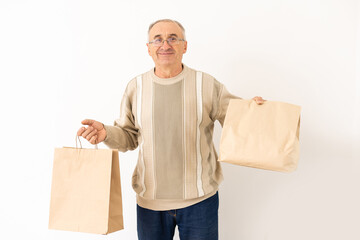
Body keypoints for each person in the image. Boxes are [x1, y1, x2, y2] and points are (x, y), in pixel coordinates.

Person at [77, 19, 265, 240]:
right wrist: (106, 134)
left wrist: (254, 110)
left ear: (185, 46)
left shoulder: (206, 84)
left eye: (173, 39)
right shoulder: (135, 88)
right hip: (150, 202)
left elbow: (236, 119)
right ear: (148, 48)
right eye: (157, 39)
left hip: (200, 201)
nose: (165, 45)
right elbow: (129, 137)